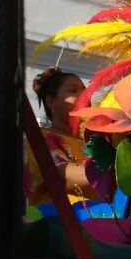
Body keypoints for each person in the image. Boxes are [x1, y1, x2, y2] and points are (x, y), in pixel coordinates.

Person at [25, 67, 100, 206]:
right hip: (53, 224)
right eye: (73, 90)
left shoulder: (93, 142)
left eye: (85, 91)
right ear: (51, 101)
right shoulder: (39, 137)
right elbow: (62, 176)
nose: (84, 96)